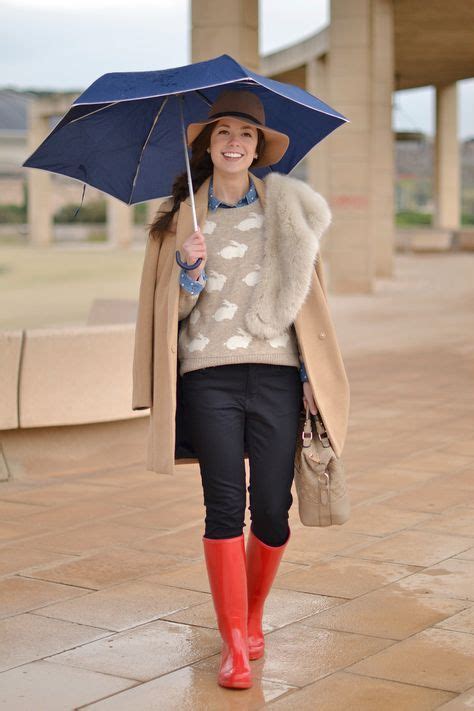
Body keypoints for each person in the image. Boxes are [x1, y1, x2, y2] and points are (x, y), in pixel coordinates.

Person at [132, 89, 350, 690]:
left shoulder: (288, 215)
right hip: (209, 377)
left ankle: (253, 617)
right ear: (207, 144)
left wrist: (309, 378)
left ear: (258, 148)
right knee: (224, 506)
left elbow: (311, 304)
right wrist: (190, 270)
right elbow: (164, 316)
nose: (234, 142)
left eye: (245, 134)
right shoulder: (180, 222)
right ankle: (232, 643)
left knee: (274, 513)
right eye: (223, 132)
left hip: (278, 375)